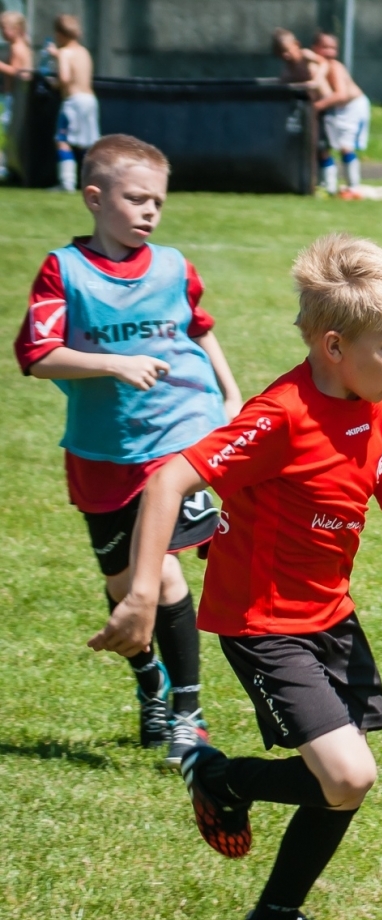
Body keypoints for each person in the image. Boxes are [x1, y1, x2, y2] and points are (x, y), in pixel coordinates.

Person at [90, 234, 382, 920]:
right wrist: (143, 593)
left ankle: (274, 917)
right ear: (334, 346)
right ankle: (220, 776)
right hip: (263, 622)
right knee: (348, 773)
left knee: (342, 782)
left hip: (332, 616)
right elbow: (169, 481)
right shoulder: (280, 416)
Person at [14, 135, 242, 763]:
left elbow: (199, 330)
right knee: (122, 585)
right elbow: (35, 357)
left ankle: (189, 717)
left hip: (177, 437)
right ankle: (153, 688)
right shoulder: (65, 270)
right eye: (135, 198)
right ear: (94, 197)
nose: (149, 212)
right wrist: (112, 364)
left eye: (158, 202)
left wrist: (229, 393)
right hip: (100, 451)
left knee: (162, 571)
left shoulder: (172, 265)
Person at [310, 33, 370, 199]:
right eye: (325, 48)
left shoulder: (334, 66)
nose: (330, 52)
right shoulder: (316, 66)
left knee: (346, 146)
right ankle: (328, 187)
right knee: (323, 148)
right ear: (315, 48)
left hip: (352, 107)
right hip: (335, 110)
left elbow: (341, 95)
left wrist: (316, 107)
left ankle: (353, 187)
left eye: (333, 48)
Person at [46, 14, 95, 193]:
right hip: (90, 100)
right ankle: (94, 181)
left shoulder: (65, 53)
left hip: (73, 102)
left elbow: (65, 78)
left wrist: (55, 82)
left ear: (60, 34)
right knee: (87, 143)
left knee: (62, 140)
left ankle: (66, 182)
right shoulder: (84, 51)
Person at [1, 10, 34, 183]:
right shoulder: (24, 45)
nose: (2, 32)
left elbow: (15, 71)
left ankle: (9, 169)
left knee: (11, 134)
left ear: (16, 29)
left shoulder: (16, 47)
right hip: (17, 96)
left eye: (4, 28)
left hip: (14, 97)